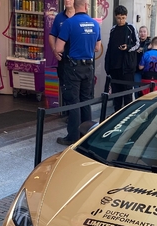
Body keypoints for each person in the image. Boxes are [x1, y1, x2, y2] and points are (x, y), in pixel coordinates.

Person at [55, 0, 101, 145]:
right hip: (88, 67)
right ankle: (86, 135)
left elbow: (58, 48)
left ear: (75, 6)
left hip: (73, 67)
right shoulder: (95, 24)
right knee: (85, 100)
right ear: (87, 6)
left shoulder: (69, 23)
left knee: (73, 101)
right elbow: (97, 48)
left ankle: (73, 136)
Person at [105, 5, 139, 112]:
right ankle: (117, 114)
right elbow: (109, 49)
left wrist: (127, 47)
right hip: (115, 68)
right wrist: (108, 67)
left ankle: (127, 115)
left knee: (128, 94)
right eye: (119, 18)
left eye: (123, 18)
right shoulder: (113, 30)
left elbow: (137, 44)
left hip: (127, 68)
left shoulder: (131, 28)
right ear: (115, 17)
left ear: (126, 17)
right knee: (117, 95)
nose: (121, 20)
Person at [48, 0, 75, 91]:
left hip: (77, 62)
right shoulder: (59, 17)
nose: (67, 0)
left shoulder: (79, 16)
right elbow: (52, 35)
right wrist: (54, 50)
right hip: (63, 60)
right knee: (64, 90)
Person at [134, 26, 151, 93]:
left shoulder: (150, 43)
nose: (142, 33)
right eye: (141, 32)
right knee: (136, 89)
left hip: (146, 71)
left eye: (144, 32)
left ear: (147, 33)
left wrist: (144, 49)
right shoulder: (136, 43)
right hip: (137, 70)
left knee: (146, 90)